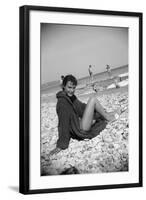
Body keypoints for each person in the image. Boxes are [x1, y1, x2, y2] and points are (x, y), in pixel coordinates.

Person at [49, 75, 120, 155]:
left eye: (74, 88)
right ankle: (108, 118)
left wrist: (96, 111)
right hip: (80, 129)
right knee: (93, 100)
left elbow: (82, 107)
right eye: (69, 87)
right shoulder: (62, 103)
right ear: (63, 86)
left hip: (80, 123)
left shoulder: (71, 97)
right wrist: (61, 145)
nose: (72, 90)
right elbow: (63, 124)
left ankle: (110, 113)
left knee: (98, 112)